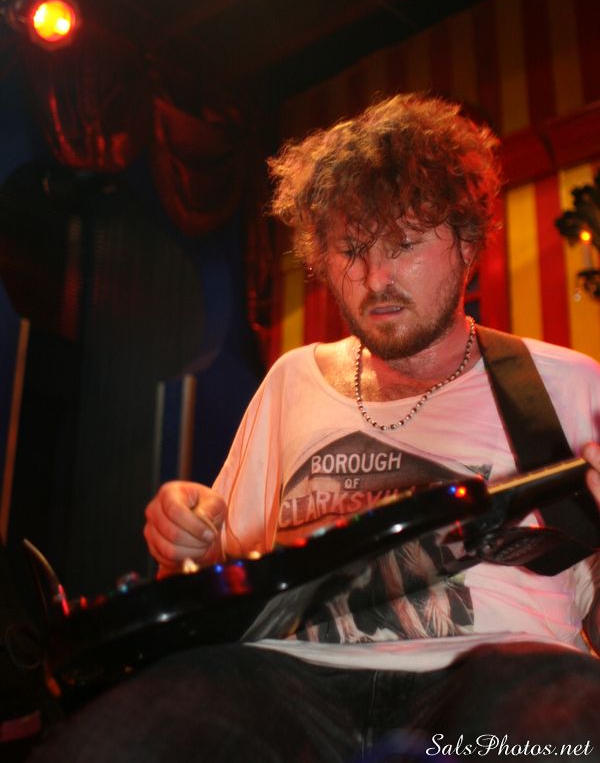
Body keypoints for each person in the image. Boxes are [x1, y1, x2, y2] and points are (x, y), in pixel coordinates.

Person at [31, 94, 600, 761]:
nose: (376, 278)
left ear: (468, 244)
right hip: (284, 676)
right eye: (350, 250)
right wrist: (187, 541)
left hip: (499, 670)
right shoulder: (292, 379)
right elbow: (221, 574)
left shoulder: (566, 384)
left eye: (405, 244)